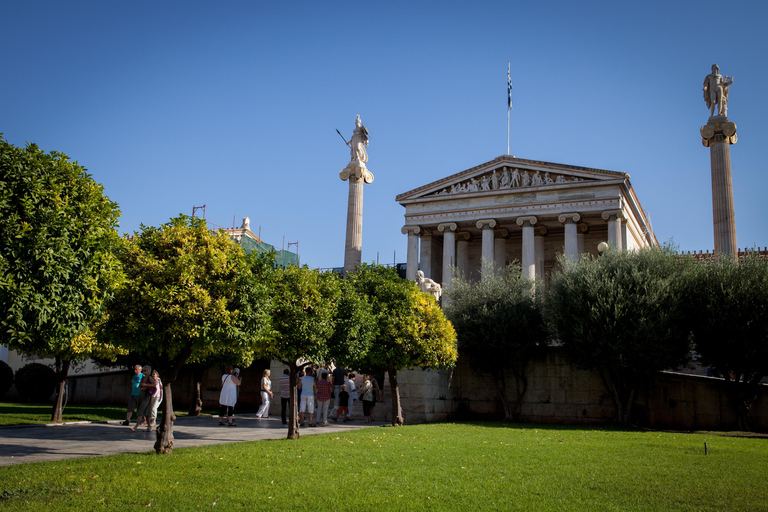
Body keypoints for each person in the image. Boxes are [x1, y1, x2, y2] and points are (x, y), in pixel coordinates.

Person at [131, 365, 153, 432]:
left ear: (148, 371)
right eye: (143, 370)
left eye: (145, 370)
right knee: (145, 411)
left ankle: (136, 426)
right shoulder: (143, 378)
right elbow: (139, 387)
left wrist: (146, 385)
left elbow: (154, 384)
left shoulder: (149, 377)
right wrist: (143, 387)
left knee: (141, 410)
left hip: (147, 395)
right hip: (142, 394)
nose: (143, 371)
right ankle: (149, 426)